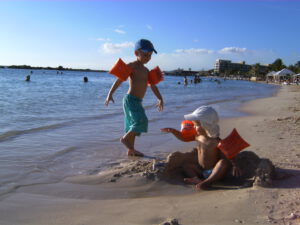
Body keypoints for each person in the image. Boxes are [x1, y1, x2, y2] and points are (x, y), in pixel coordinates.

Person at [105, 39, 164, 157]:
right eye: (145, 54)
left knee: (132, 125)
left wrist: (160, 98)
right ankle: (125, 139)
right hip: (130, 99)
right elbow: (119, 80)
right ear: (136, 53)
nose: (148, 58)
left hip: (137, 101)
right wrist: (110, 94)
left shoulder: (146, 71)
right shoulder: (132, 66)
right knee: (140, 121)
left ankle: (131, 150)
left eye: (150, 56)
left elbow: (153, 86)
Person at [161, 106, 240, 190]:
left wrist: (235, 165)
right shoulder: (197, 136)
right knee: (186, 166)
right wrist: (173, 131)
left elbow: (228, 152)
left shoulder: (215, 140)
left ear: (206, 126)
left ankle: (208, 182)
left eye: (196, 125)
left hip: (214, 171)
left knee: (223, 163)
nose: (194, 127)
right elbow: (183, 138)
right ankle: (197, 179)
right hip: (201, 170)